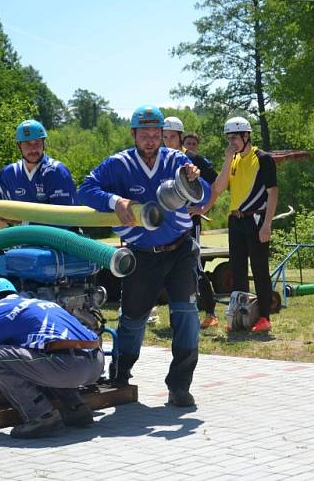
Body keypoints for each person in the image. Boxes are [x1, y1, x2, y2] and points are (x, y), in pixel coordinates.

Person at [78, 104, 211, 407]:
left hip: (180, 249)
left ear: (163, 135)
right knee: (134, 319)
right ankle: (121, 373)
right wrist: (115, 201)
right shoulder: (118, 164)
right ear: (133, 134)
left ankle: (179, 386)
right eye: (145, 134)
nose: (151, 140)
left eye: (156, 134)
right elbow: (84, 190)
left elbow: (201, 195)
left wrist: (194, 179)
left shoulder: (178, 160)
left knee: (187, 315)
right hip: (141, 254)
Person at [0, 278, 103, 439]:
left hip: (68, 367)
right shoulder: (38, 303)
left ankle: (42, 417)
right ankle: (76, 409)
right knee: (42, 354)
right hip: (95, 362)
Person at [201, 117, 278, 333]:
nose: (231, 142)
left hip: (256, 218)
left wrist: (267, 224)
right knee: (237, 269)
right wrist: (227, 160)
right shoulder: (233, 160)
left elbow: (273, 193)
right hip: (235, 220)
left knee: (260, 268)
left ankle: (264, 317)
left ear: (246, 136)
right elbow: (219, 187)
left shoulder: (263, 159)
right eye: (228, 138)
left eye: (234, 137)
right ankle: (240, 315)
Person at [163, 117, 220, 328]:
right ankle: (178, 312)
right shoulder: (161, 159)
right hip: (168, 224)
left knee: (194, 266)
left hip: (190, 222)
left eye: (172, 137)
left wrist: (204, 208)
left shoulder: (194, 159)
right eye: (164, 137)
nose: (168, 141)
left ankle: (211, 313)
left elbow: (216, 183)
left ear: (180, 137)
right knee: (168, 268)